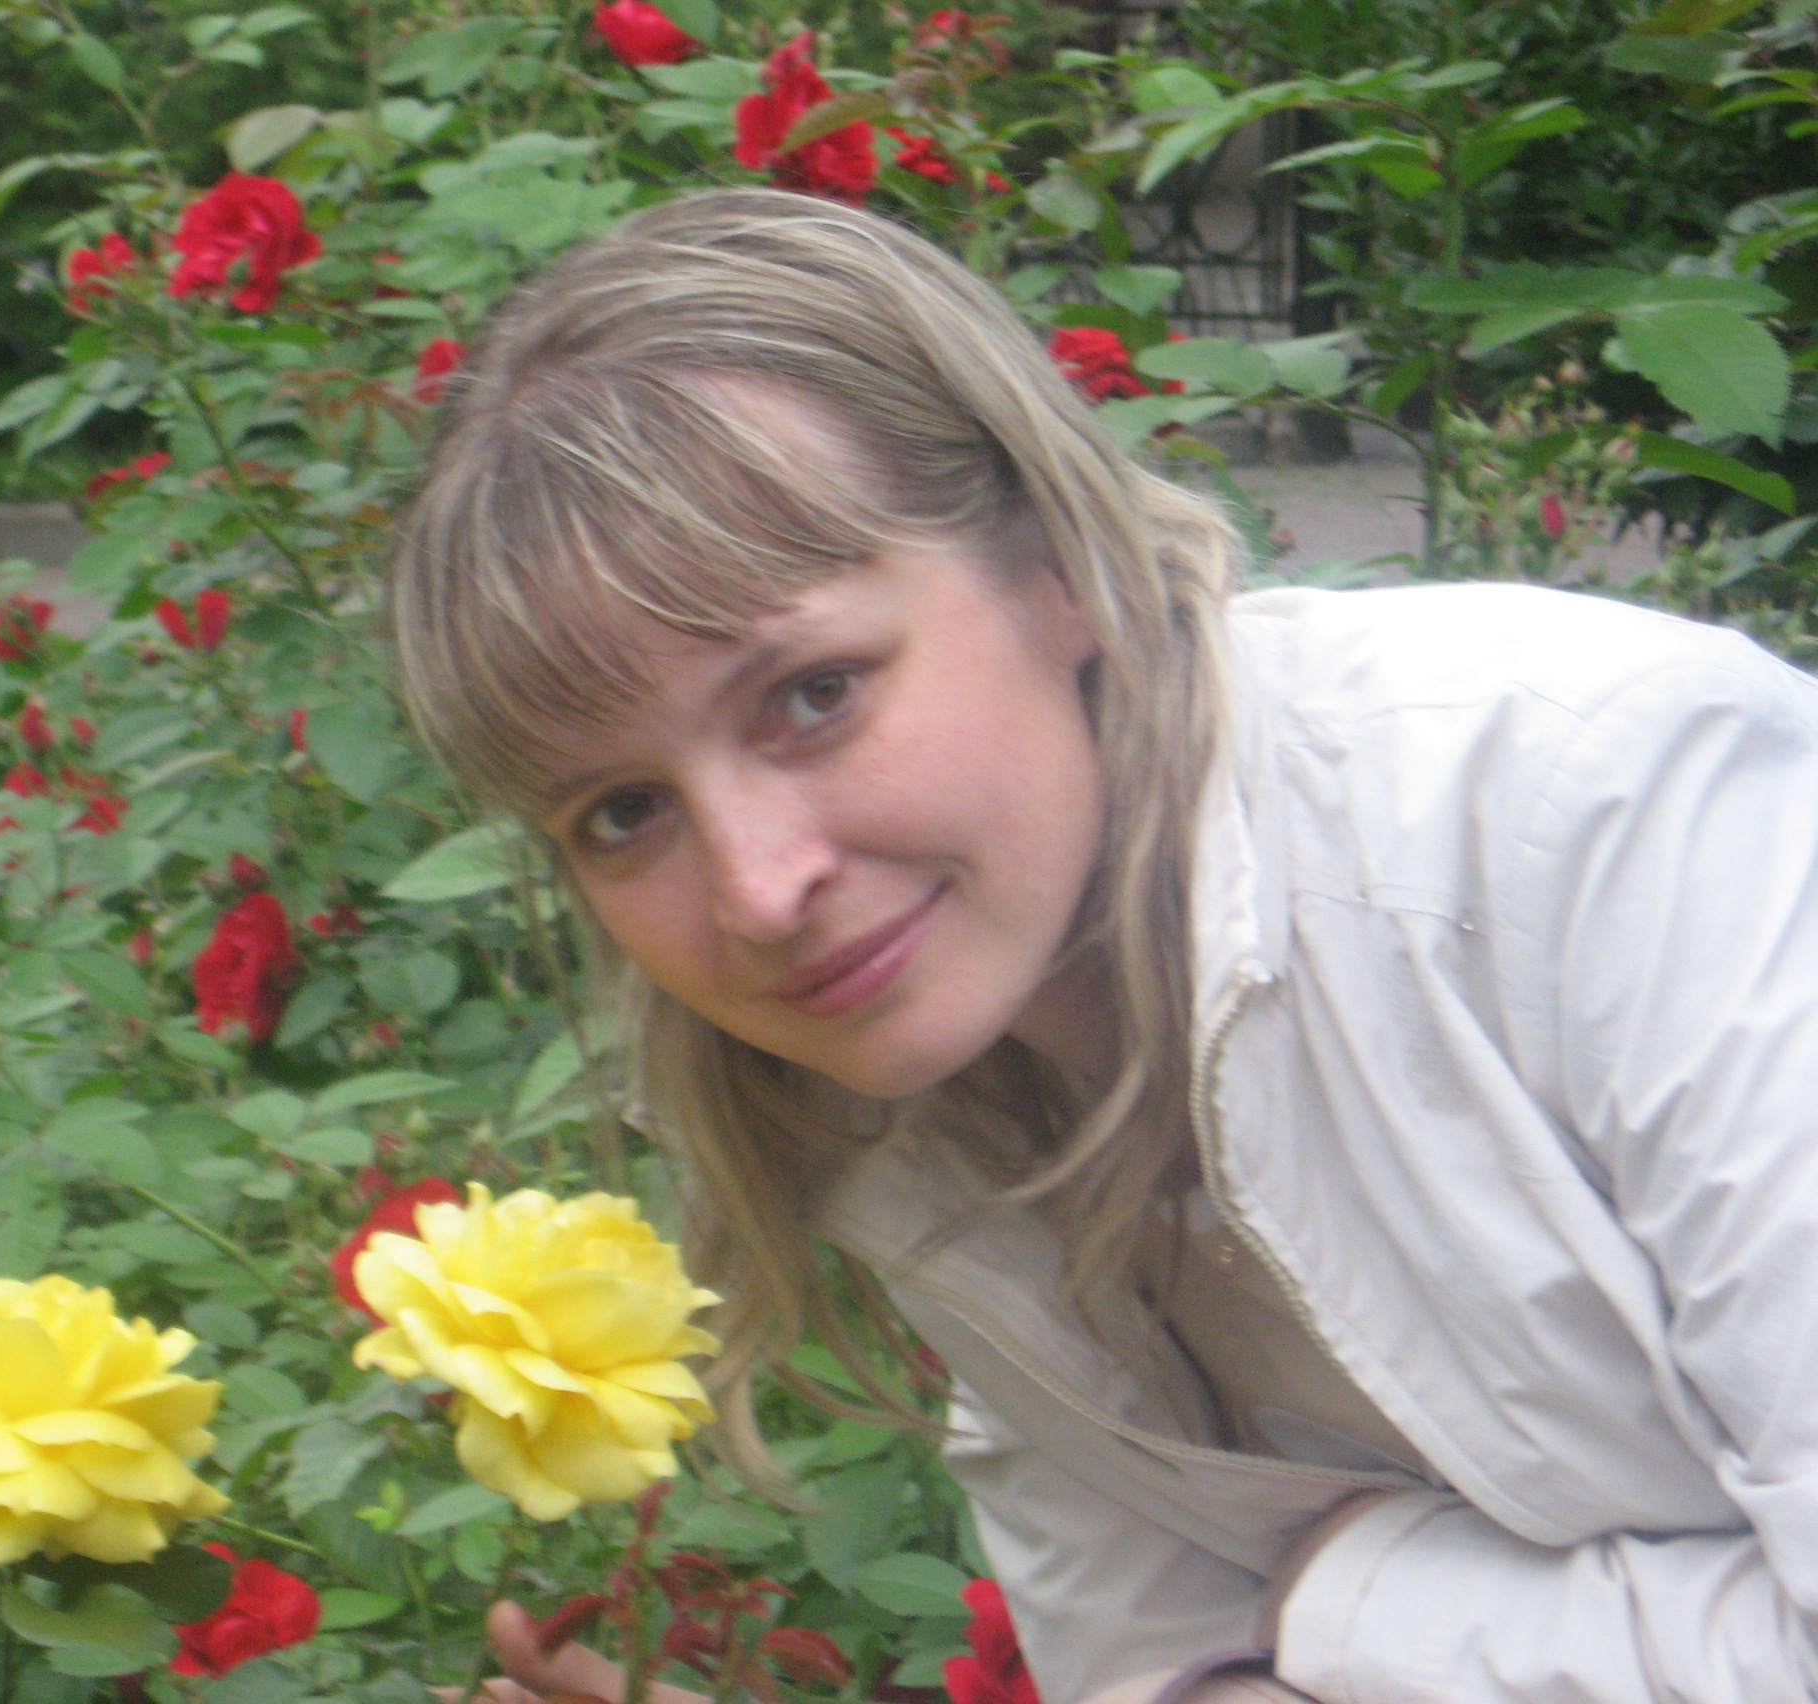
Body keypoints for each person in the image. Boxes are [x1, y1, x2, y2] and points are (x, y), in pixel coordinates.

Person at [386, 187, 1818, 1703]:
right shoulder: (919, 1112)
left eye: (814, 695)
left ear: (1058, 562)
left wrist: (1350, 1608)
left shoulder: (1606, 811)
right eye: (621, 813)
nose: (756, 890)